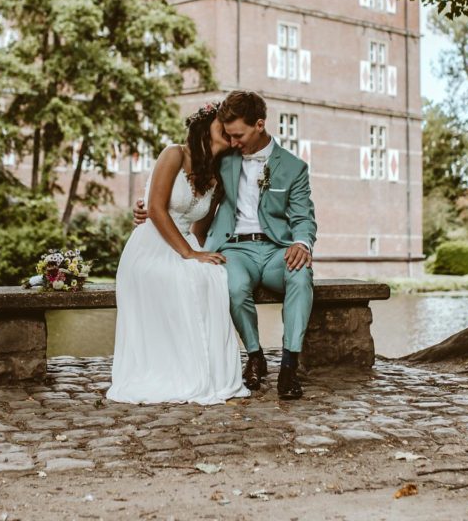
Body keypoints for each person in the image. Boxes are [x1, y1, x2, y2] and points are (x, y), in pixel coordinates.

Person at [135, 90, 317, 400]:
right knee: (231, 286)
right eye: (228, 135)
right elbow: (187, 186)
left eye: (238, 135)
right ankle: (255, 355)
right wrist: (146, 205)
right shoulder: (224, 157)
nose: (233, 142)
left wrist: (302, 242)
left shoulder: (294, 167)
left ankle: (289, 364)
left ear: (259, 125)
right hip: (234, 248)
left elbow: (304, 216)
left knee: (300, 276)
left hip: (276, 249)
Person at [106, 102, 249, 405]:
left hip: (185, 242)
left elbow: (198, 228)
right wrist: (188, 254)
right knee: (183, 279)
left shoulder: (219, 176)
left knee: (212, 277)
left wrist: (197, 252)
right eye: (220, 123)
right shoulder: (174, 154)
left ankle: (207, 374)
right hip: (151, 245)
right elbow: (156, 209)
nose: (225, 129)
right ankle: (174, 369)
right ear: (205, 125)